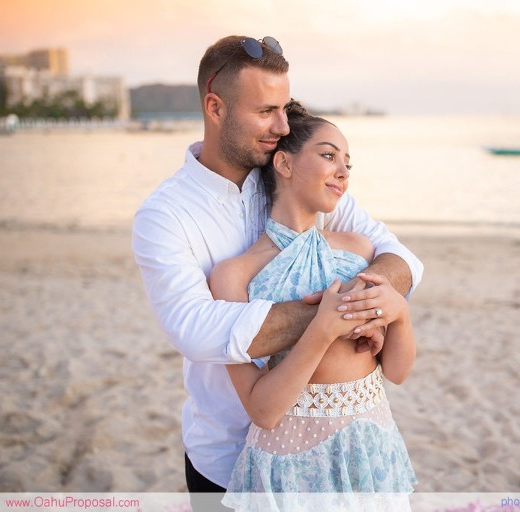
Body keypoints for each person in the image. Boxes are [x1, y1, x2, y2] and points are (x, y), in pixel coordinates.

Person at [131, 35, 423, 510]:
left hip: (349, 450)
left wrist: (378, 306)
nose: (283, 125)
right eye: (267, 110)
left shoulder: (291, 181)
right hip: (227, 458)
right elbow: (195, 331)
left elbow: (400, 259)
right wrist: (335, 317)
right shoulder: (166, 216)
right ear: (215, 107)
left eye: (285, 108)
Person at [209, 102, 417, 509]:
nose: (343, 171)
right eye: (328, 155)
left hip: (368, 450)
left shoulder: (360, 251)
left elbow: (397, 371)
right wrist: (321, 330)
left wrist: (401, 313)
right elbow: (263, 412)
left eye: (347, 164)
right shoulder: (234, 276)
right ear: (284, 164)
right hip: (290, 464)